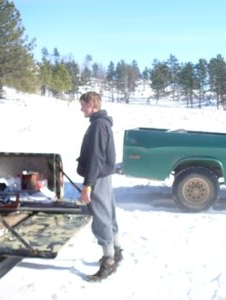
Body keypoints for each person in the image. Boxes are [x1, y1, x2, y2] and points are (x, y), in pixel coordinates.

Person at [77, 91, 123, 281]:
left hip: (97, 177)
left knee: (101, 216)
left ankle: (109, 261)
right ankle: (117, 251)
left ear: (92, 105)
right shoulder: (100, 123)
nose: (81, 109)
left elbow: (97, 157)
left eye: (83, 105)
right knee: (108, 212)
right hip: (102, 176)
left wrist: (88, 184)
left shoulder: (98, 125)